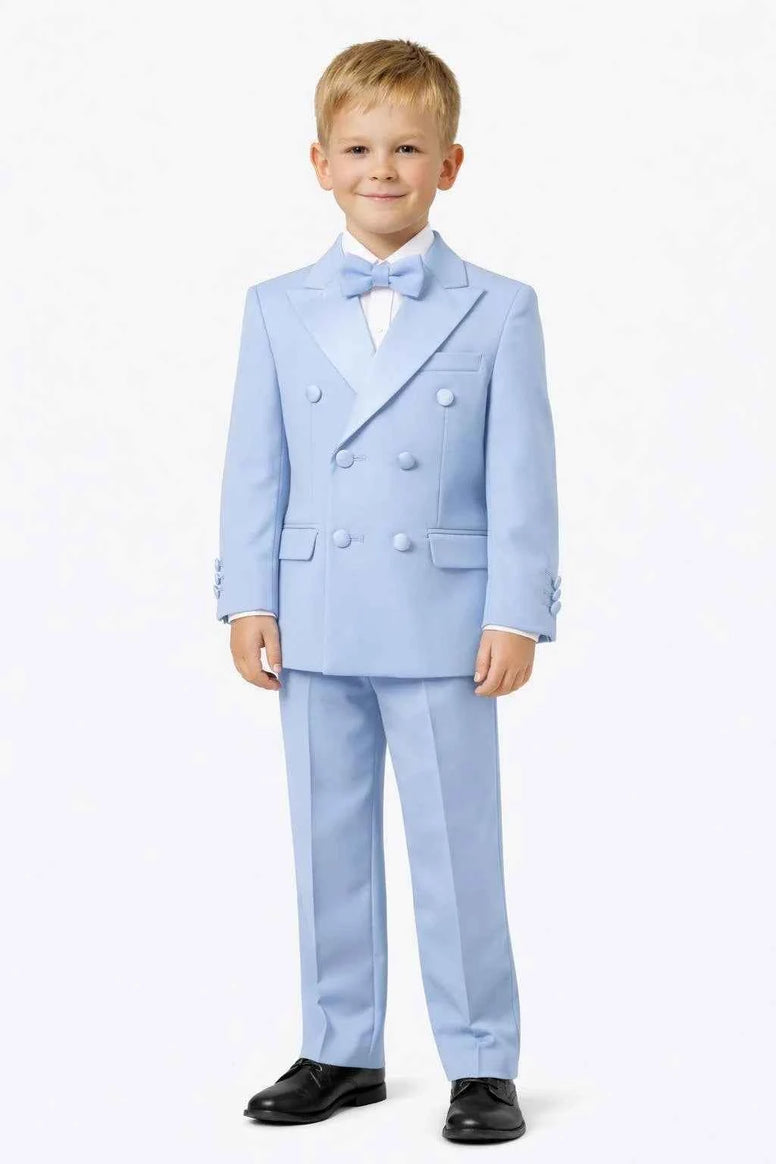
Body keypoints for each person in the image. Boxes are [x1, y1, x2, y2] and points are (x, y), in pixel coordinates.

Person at [214, 37, 560, 1144]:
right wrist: (247, 596)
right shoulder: (276, 306)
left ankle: (480, 1060)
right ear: (319, 163)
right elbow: (255, 464)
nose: (382, 169)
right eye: (359, 148)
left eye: (407, 149)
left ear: (448, 164)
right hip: (314, 608)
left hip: (444, 620)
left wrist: (516, 609)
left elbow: (521, 475)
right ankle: (340, 1046)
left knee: (457, 847)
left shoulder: (498, 307)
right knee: (327, 839)